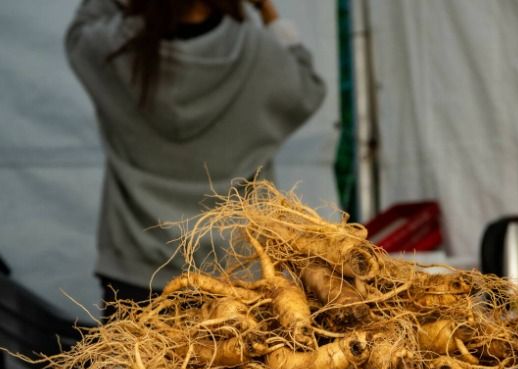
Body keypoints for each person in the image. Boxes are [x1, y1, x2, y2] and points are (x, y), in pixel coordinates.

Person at [65, 0, 326, 312]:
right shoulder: (258, 53)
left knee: (135, 361)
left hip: (135, 274)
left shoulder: (116, 48)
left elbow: (80, 31)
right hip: (236, 277)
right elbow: (307, 85)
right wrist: (268, 13)